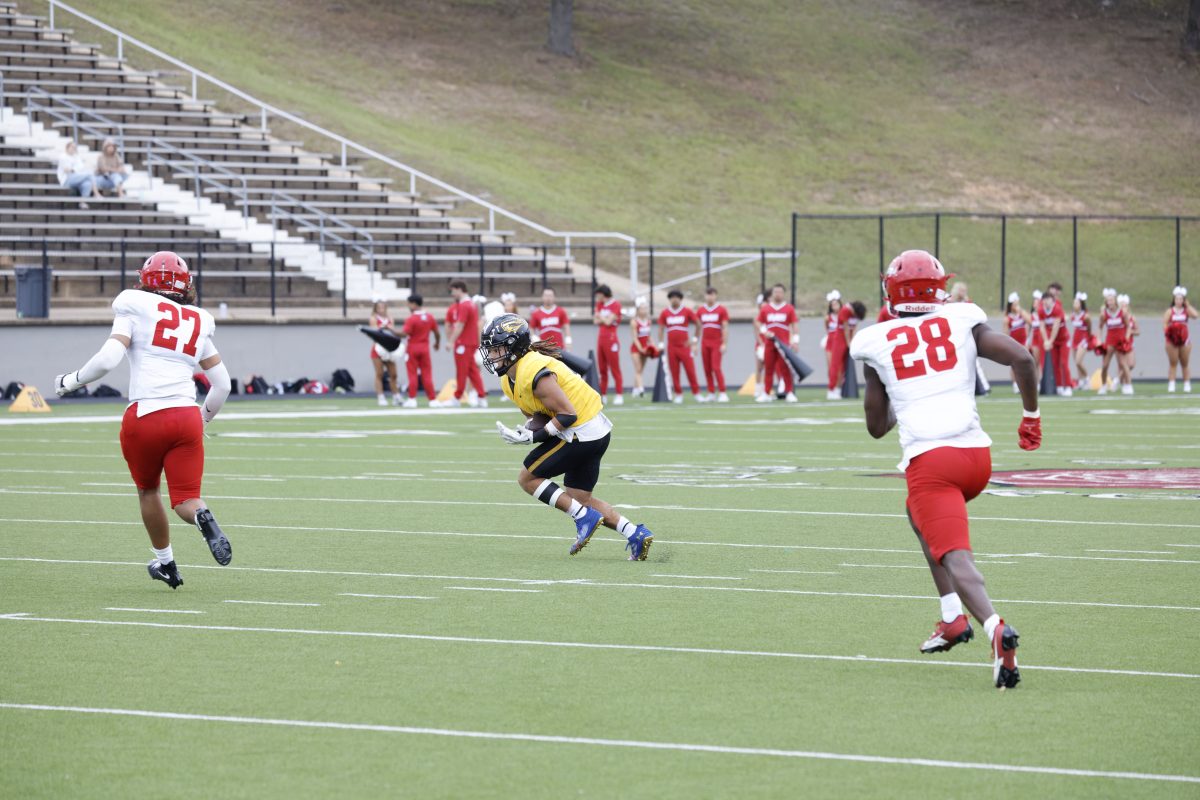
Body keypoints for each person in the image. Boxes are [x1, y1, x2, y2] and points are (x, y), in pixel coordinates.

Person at [850, 250, 1039, 690]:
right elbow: (1023, 359)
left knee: (956, 554)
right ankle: (953, 616)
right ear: (940, 289)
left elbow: (876, 427)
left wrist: (901, 392)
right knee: (916, 516)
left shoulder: (874, 340)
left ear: (890, 292)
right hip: (977, 458)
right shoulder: (963, 318)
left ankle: (995, 628)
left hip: (933, 463)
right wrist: (1031, 417)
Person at [53, 251, 233, 589]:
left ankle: (167, 564)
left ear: (145, 280)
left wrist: (70, 381)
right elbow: (222, 385)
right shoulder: (198, 319)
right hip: (186, 415)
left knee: (149, 491)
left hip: (146, 415)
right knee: (187, 498)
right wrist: (202, 421)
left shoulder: (133, 305)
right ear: (185, 284)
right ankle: (202, 516)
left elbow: (107, 360)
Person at [483, 314, 654, 560]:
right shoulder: (509, 378)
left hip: (581, 430)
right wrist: (526, 430)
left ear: (513, 346)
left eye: (496, 349)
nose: (491, 355)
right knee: (578, 498)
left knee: (527, 478)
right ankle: (635, 533)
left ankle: (583, 518)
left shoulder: (532, 369)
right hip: (593, 430)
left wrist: (534, 438)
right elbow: (539, 415)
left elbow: (567, 414)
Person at [439, 280, 487, 408]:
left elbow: (460, 325)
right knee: (472, 371)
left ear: (459, 289)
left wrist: (450, 341)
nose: (452, 294)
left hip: (463, 343)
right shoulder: (471, 304)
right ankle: (481, 396)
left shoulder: (464, 305)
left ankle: (457, 397)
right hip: (470, 342)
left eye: (453, 291)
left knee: (462, 371)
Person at [755, 283, 799, 403]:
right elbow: (758, 322)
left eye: (780, 292)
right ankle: (766, 393)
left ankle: (789, 392)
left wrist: (795, 341)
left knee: (785, 369)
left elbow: (794, 325)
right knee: (769, 368)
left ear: (783, 294)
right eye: (775, 292)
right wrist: (764, 331)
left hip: (783, 344)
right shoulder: (766, 308)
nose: (778, 294)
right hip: (770, 344)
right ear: (772, 294)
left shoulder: (789, 308)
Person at [657, 290, 702, 404]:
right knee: (674, 371)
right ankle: (678, 394)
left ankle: (696, 393)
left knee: (690, 371)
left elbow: (698, 324)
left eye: (676, 297)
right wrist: (661, 343)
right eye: (672, 297)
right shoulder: (665, 312)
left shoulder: (686, 311)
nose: (674, 299)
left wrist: (694, 340)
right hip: (672, 347)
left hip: (684, 346)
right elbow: (661, 328)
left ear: (680, 299)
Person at [399, 293, 440, 407]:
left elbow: (404, 334)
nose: (408, 306)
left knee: (412, 374)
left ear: (414, 304)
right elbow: (437, 333)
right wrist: (437, 343)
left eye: (409, 304)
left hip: (412, 348)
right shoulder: (429, 317)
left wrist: (390, 329)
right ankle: (432, 400)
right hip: (425, 349)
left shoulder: (411, 319)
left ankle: (412, 399)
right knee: (427, 374)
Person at [696, 287, 730, 402]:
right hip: (705, 343)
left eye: (712, 294)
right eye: (708, 294)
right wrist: (695, 342)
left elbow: (725, 327)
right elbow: (698, 327)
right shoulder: (701, 310)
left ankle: (722, 392)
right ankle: (711, 392)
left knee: (716, 367)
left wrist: (724, 343)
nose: (710, 297)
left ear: (716, 296)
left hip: (716, 342)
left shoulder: (721, 310)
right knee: (707, 369)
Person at [593, 285, 624, 405]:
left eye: (598, 294)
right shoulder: (599, 304)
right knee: (602, 368)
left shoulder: (615, 304)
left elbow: (608, 322)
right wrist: (604, 318)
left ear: (603, 294)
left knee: (614, 368)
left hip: (611, 339)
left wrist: (601, 317)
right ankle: (603, 394)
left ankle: (619, 394)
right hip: (601, 339)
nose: (597, 297)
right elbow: (595, 321)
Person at [368, 298, 402, 407]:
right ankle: (381, 396)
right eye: (379, 308)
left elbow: (393, 333)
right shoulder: (373, 318)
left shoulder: (390, 318)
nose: (381, 309)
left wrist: (391, 328)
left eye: (383, 307)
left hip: (389, 349)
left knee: (393, 374)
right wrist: (382, 327)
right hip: (378, 349)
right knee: (379, 374)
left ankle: (396, 396)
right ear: (376, 309)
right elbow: (374, 332)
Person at [1164, 286, 1198, 393]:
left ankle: (1187, 384)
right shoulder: (1170, 311)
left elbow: (1195, 315)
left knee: (1185, 363)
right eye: (1177, 299)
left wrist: (1188, 305)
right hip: (1172, 340)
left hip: (1184, 340)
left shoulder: (1186, 311)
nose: (1178, 301)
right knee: (1173, 362)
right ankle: (1172, 384)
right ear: (1174, 299)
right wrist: (1170, 334)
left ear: (1184, 300)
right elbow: (1165, 324)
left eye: (1181, 299)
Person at [1097, 288, 1128, 395]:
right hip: (1109, 342)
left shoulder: (1122, 313)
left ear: (1115, 301)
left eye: (1111, 300)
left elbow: (1128, 326)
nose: (1109, 302)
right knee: (1105, 365)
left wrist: (1126, 338)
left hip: (1120, 342)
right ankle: (1104, 385)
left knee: (1123, 364)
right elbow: (1100, 327)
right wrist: (1099, 340)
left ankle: (1127, 385)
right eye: (1108, 300)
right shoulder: (1104, 314)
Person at [628, 297, 659, 398]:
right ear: (638, 310)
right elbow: (634, 337)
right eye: (642, 308)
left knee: (640, 370)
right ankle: (641, 389)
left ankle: (635, 389)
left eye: (646, 308)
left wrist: (653, 345)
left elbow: (648, 336)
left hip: (645, 348)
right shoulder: (634, 322)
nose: (644, 310)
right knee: (638, 369)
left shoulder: (648, 321)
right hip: (636, 349)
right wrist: (640, 348)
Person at [1003, 292, 1031, 393]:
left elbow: (1030, 321)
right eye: (1014, 304)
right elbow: (1006, 334)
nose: (1016, 306)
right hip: (1014, 344)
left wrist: (1021, 311)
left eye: (1017, 303)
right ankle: (1015, 384)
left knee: (1026, 363)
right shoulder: (1007, 318)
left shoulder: (1022, 314)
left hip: (1023, 343)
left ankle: (1025, 383)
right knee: (1014, 365)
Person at [56, 140, 97, 207]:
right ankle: (96, 193)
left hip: (77, 178)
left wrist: (73, 170)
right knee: (89, 174)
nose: (73, 149)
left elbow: (81, 167)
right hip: (67, 179)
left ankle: (82, 202)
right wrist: (75, 169)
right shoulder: (63, 157)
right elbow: (67, 170)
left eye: (75, 147)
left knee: (87, 184)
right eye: (72, 147)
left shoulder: (76, 157)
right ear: (67, 148)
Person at [1070, 292, 1092, 391]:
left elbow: (1089, 328)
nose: (1074, 305)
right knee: (1076, 362)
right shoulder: (1073, 315)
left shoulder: (1086, 316)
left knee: (1078, 361)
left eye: (1076, 303)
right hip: (1075, 339)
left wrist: (1088, 338)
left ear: (1081, 304)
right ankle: (1080, 381)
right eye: (1074, 303)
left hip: (1083, 339)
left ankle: (1087, 378)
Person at [1118, 293, 1139, 394]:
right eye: (1121, 306)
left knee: (1131, 365)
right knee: (1123, 365)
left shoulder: (1132, 318)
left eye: (1125, 306)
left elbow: (1138, 331)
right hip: (1120, 343)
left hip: (1129, 344)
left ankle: (1118, 379)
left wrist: (1131, 332)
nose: (1123, 308)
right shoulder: (1117, 318)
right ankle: (1126, 385)